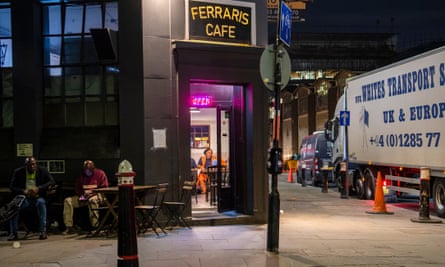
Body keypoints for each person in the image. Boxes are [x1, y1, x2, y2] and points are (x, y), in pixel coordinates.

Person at [8, 156, 56, 241]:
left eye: (34, 164)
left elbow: (52, 181)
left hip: (38, 197)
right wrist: (23, 191)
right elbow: (12, 187)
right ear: (26, 165)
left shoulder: (42, 170)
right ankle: (13, 233)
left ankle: (42, 231)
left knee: (41, 203)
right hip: (25, 198)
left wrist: (39, 188)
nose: (33, 167)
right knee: (14, 208)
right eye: (30, 165)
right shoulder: (19, 172)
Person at [62, 160, 109, 234]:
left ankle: (95, 226)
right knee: (68, 201)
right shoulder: (81, 176)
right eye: (86, 170)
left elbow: (105, 188)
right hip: (84, 196)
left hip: (97, 196)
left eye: (90, 170)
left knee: (92, 201)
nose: (88, 172)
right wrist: (82, 196)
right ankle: (69, 227)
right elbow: (78, 189)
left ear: (93, 168)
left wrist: (93, 193)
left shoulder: (100, 174)